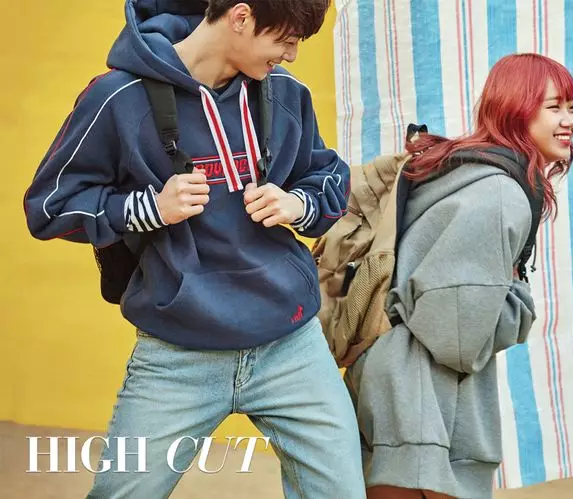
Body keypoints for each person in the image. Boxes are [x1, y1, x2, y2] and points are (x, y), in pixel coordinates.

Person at [23, 1, 365, 497]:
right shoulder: (117, 98)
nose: (291, 55)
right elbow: (50, 207)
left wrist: (298, 203)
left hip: (291, 345)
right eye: (286, 40)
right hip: (177, 354)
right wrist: (149, 208)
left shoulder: (288, 95)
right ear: (241, 17)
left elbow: (327, 177)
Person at [344, 53, 573, 499]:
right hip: (423, 402)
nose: (568, 120)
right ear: (515, 109)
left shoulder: (466, 169)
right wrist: (519, 304)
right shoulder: (499, 193)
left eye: (572, 107)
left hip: (395, 381)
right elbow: (455, 333)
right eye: (554, 107)